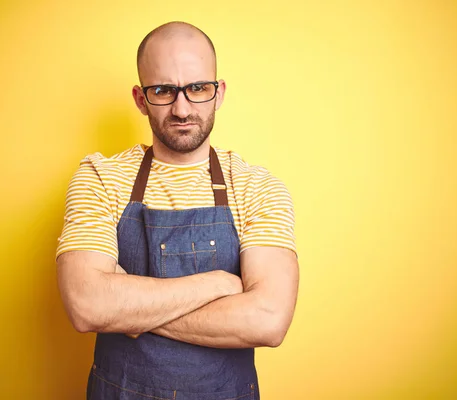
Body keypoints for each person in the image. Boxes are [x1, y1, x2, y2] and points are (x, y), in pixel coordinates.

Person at [55, 21, 299, 400]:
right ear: (140, 98)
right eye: (164, 90)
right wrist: (217, 285)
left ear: (218, 94)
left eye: (197, 88)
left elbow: (268, 321)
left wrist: (128, 312)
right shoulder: (100, 177)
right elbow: (87, 305)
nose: (182, 108)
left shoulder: (256, 187)